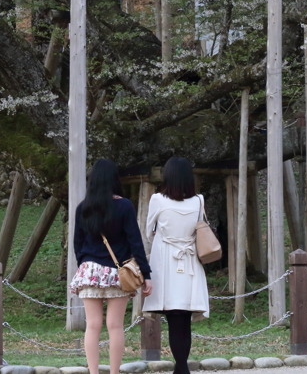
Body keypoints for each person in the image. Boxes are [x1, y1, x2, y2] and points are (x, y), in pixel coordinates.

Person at [69, 158, 152, 374]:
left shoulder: (82, 208)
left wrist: (85, 265)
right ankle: (114, 372)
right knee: (115, 326)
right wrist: (146, 273)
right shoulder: (124, 206)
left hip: (90, 271)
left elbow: (77, 244)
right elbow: (135, 242)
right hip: (118, 273)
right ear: (114, 179)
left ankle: (94, 372)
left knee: (93, 325)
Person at [142, 157, 210, 374]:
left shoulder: (157, 200)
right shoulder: (198, 200)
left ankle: (180, 367)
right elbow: (199, 228)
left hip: (166, 261)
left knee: (173, 316)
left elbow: (148, 231)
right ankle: (182, 366)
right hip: (189, 260)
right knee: (184, 317)